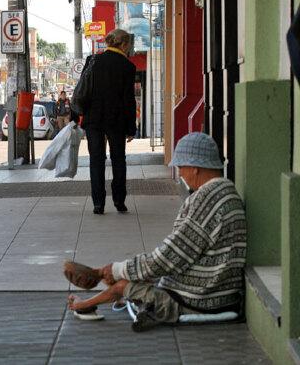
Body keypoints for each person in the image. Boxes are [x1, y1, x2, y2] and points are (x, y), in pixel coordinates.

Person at [64, 133, 247, 331]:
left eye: (181, 167)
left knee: (123, 285)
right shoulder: (227, 193)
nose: (181, 174)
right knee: (133, 276)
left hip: (198, 300)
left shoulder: (207, 200)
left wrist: (118, 270)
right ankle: (101, 274)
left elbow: (168, 258)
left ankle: (84, 303)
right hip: (217, 292)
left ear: (195, 167)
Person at [83, 29, 137, 215]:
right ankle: (119, 200)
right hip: (117, 120)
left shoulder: (93, 61)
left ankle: (98, 203)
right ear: (123, 44)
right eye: (129, 44)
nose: (129, 47)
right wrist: (131, 127)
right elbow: (129, 99)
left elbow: (83, 89)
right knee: (118, 160)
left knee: (96, 160)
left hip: (93, 119)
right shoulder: (127, 66)